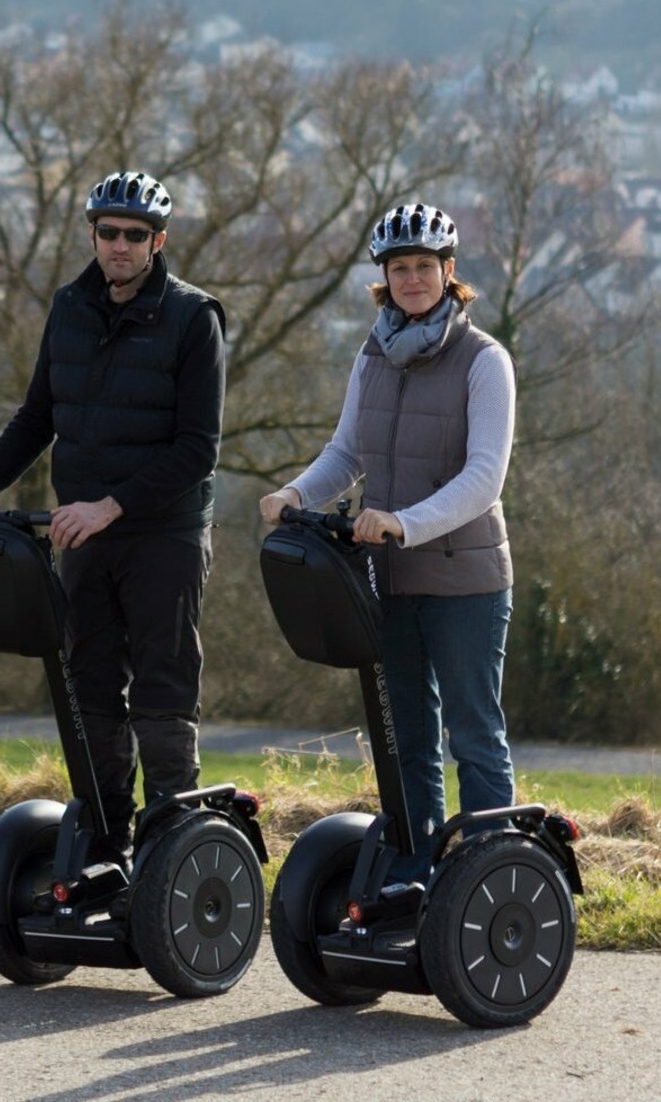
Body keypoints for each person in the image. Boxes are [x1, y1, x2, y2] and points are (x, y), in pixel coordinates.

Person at [0, 170, 226, 871]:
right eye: (107, 233)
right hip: (81, 538)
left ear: (158, 241)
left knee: (161, 689)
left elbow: (198, 450)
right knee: (88, 685)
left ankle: (170, 845)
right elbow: (38, 416)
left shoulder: (194, 317)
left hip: (163, 537)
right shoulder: (69, 307)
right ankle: (105, 834)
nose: (118, 246)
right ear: (92, 234)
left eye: (133, 235)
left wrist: (110, 506)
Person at [258, 201, 518, 894]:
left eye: (424, 267)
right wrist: (294, 495)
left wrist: (405, 521)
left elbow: (484, 478)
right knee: (404, 738)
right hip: (389, 580)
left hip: (465, 580)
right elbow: (346, 452)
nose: (411, 279)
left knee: (473, 736)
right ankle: (416, 873)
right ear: (384, 278)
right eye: (399, 268)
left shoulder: (484, 360)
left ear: (448, 272)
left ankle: (489, 881)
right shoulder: (372, 355)